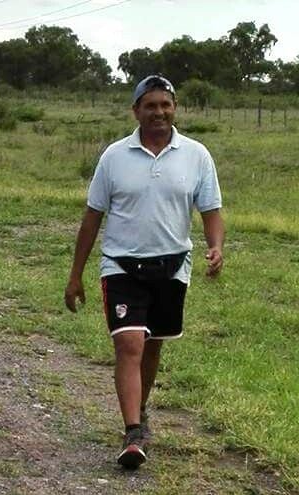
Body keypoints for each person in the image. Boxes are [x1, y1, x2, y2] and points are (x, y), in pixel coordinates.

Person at [64, 75, 224, 469]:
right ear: (136, 111)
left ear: (175, 108)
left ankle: (141, 409)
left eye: (165, 105)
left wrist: (216, 246)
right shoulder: (114, 156)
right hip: (121, 266)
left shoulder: (197, 155)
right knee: (130, 344)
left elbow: (210, 209)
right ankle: (133, 432)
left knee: (152, 346)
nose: (159, 112)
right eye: (150, 105)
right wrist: (75, 274)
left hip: (173, 266)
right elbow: (92, 217)